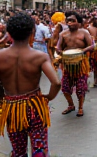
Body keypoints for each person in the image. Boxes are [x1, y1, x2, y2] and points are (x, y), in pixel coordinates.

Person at [0, 13, 61, 156]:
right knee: (39, 148)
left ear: (9, 33)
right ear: (32, 32)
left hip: (11, 108)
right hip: (34, 106)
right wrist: (48, 97)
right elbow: (56, 82)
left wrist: (3, 97)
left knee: (18, 150)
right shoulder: (39, 56)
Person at [57, 11, 92, 117]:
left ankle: (80, 107)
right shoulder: (63, 34)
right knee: (65, 87)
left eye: (73, 20)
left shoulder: (84, 32)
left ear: (78, 22)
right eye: (68, 21)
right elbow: (58, 47)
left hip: (81, 64)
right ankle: (71, 105)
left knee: (81, 87)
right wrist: (59, 52)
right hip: (67, 64)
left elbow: (91, 46)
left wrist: (83, 51)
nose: (70, 23)